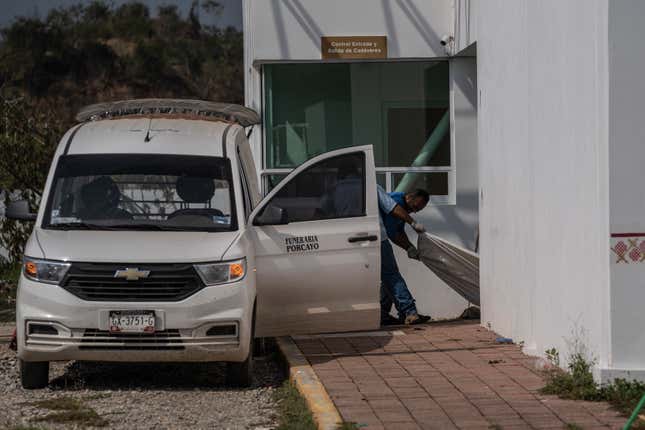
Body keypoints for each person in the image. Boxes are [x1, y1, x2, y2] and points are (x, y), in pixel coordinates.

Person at [377, 185, 431, 325]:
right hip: (378, 239)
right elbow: (392, 232)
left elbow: (399, 231)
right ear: (410, 197)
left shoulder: (404, 207)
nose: (413, 211)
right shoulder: (396, 202)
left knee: (388, 276)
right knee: (392, 275)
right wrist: (408, 246)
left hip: (377, 238)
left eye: (417, 210)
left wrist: (410, 248)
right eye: (415, 207)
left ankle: (382, 314)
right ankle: (409, 311)